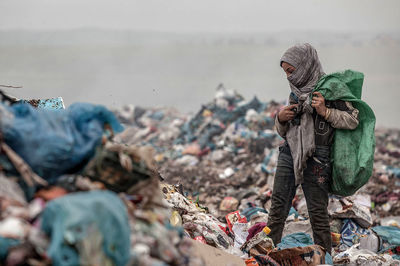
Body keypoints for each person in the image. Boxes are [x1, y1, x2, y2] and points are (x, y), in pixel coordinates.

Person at [266, 43, 360, 254]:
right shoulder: (295, 93)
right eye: (286, 73)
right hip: (290, 153)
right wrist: (280, 118)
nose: (289, 77)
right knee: (278, 206)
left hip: (318, 158)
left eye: (292, 71)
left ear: (305, 66)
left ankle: (324, 258)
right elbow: (286, 131)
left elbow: (352, 120)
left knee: (317, 213)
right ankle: (266, 255)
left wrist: (325, 111)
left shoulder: (330, 89)